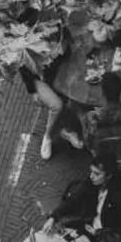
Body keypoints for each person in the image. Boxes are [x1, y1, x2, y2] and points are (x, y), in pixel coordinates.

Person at [21, 8, 93, 160]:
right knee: (57, 105)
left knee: (77, 91)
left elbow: (69, 54)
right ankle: (47, 137)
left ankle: (66, 128)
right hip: (39, 79)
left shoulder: (61, 33)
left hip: (59, 73)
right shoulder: (33, 43)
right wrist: (32, 90)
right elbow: (24, 67)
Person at [46, 159, 121, 242]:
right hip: (89, 226)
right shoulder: (93, 182)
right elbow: (72, 200)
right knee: (59, 241)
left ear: (109, 175)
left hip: (105, 240)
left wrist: (98, 233)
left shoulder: (120, 196)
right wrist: (53, 217)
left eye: (97, 174)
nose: (91, 176)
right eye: (91, 171)